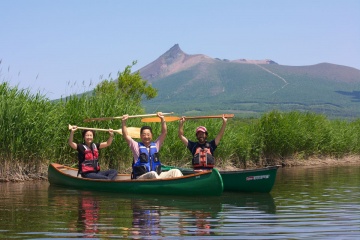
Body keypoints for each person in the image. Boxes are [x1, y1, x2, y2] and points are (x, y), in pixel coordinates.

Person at [121, 112, 183, 179]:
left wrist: (162, 119)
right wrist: (124, 122)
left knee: (175, 171)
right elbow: (126, 135)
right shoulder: (136, 146)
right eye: (144, 135)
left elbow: (164, 133)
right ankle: (161, 186)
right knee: (153, 174)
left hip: (157, 176)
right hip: (141, 177)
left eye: (148, 134)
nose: (146, 136)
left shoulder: (156, 145)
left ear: (151, 135)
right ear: (140, 136)